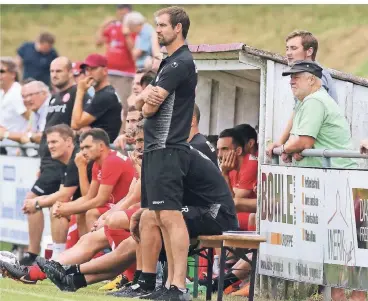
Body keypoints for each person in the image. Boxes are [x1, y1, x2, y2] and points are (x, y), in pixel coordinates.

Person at [113, 145, 238, 299]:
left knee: (157, 215)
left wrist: (144, 171)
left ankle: (171, 285)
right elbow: (157, 200)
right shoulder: (165, 154)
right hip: (199, 208)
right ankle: (148, 281)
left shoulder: (175, 154)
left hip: (217, 212)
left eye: (142, 140)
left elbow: (166, 199)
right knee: (149, 216)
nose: (139, 146)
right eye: (137, 141)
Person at [134, 6, 197, 294]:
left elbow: (149, 107)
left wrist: (144, 101)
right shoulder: (167, 62)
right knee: (158, 216)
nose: (157, 30)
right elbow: (143, 103)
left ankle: (178, 285)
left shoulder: (180, 63)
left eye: (161, 25)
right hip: (155, 148)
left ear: (178, 29)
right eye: (156, 25)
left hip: (169, 146)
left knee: (170, 216)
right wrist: (144, 100)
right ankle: (170, 282)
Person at [19, 57, 90, 266]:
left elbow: (81, 124)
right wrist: (42, 165)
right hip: (49, 161)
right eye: (52, 71)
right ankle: (55, 254)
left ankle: (36, 254)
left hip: (62, 161)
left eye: (59, 70)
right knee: (54, 205)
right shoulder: (53, 98)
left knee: (35, 202)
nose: (55, 74)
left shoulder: (78, 93)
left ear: (70, 72)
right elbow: (48, 131)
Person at [266, 30, 338, 157]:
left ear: (309, 51)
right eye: (287, 48)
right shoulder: (303, 78)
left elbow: (316, 116)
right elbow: (298, 112)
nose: (288, 53)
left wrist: (296, 147)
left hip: (324, 150)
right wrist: (283, 142)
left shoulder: (317, 76)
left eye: (293, 48)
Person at [52, 128, 135, 234]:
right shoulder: (97, 163)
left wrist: (69, 209)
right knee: (77, 211)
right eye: (82, 148)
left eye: (87, 147)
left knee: (91, 213)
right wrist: (81, 167)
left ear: (101, 146)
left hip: (127, 205)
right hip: (114, 204)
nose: (83, 152)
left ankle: (92, 249)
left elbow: (100, 200)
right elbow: (89, 196)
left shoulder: (111, 161)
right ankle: (79, 247)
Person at [280, 60, 356, 169]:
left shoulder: (315, 100)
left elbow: (303, 142)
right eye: (291, 78)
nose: (291, 82)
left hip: (336, 175)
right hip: (328, 175)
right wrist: (293, 149)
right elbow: (295, 140)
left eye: (296, 78)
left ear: (311, 80)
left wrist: (284, 149)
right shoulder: (305, 102)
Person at [96, 4, 135, 132]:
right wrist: (103, 25)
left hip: (125, 74)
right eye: (120, 12)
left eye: (125, 13)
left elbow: (133, 50)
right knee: (106, 103)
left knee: (123, 105)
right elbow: (98, 42)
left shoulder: (133, 28)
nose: (122, 15)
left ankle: (122, 134)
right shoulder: (113, 27)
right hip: (109, 72)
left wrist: (127, 34)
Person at [71, 54, 122, 143]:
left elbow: (76, 124)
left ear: (105, 71)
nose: (89, 73)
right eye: (87, 69)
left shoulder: (105, 95)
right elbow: (76, 124)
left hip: (102, 150)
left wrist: (80, 91)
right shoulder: (102, 93)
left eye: (93, 69)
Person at [217, 127, 258, 231]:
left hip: (258, 217)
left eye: (224, 149)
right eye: (218, 150)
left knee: (219, 218)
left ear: (238, 151)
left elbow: (229, 204)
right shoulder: (231, 167)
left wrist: (225, 174)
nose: (219, 155)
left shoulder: (251, 164)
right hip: (243, 215)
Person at [0, 59, 30, 155]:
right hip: (7, 149)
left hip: (22, 150)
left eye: (2, 71)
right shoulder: (2, 93)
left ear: (13, 74)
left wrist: (24, 138)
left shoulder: (17, 93)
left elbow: (32, 119)